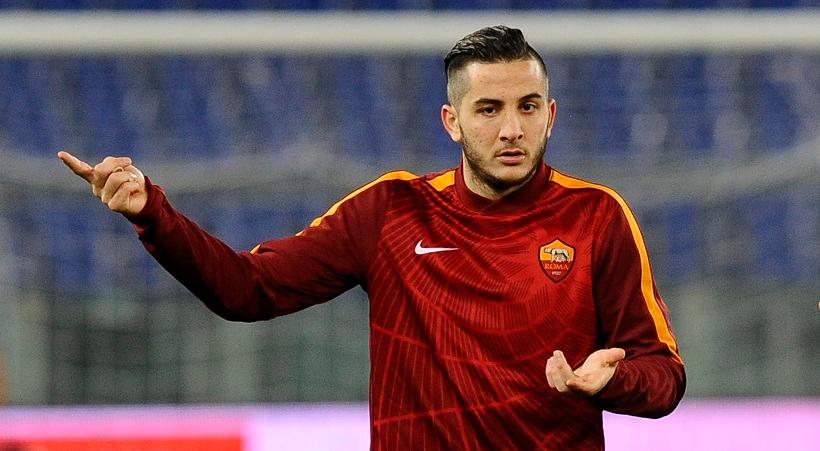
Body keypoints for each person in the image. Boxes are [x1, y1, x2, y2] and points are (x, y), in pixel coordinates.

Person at [59, 25, 685, 450]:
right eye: (489, 109)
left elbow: (663, 374)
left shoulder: (597, 216)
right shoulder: (392, 210)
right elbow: (246, 288)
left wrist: (613, 383)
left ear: (551, 114)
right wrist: (153, 214)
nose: (511, 129)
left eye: (527, 106)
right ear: (452, 121)